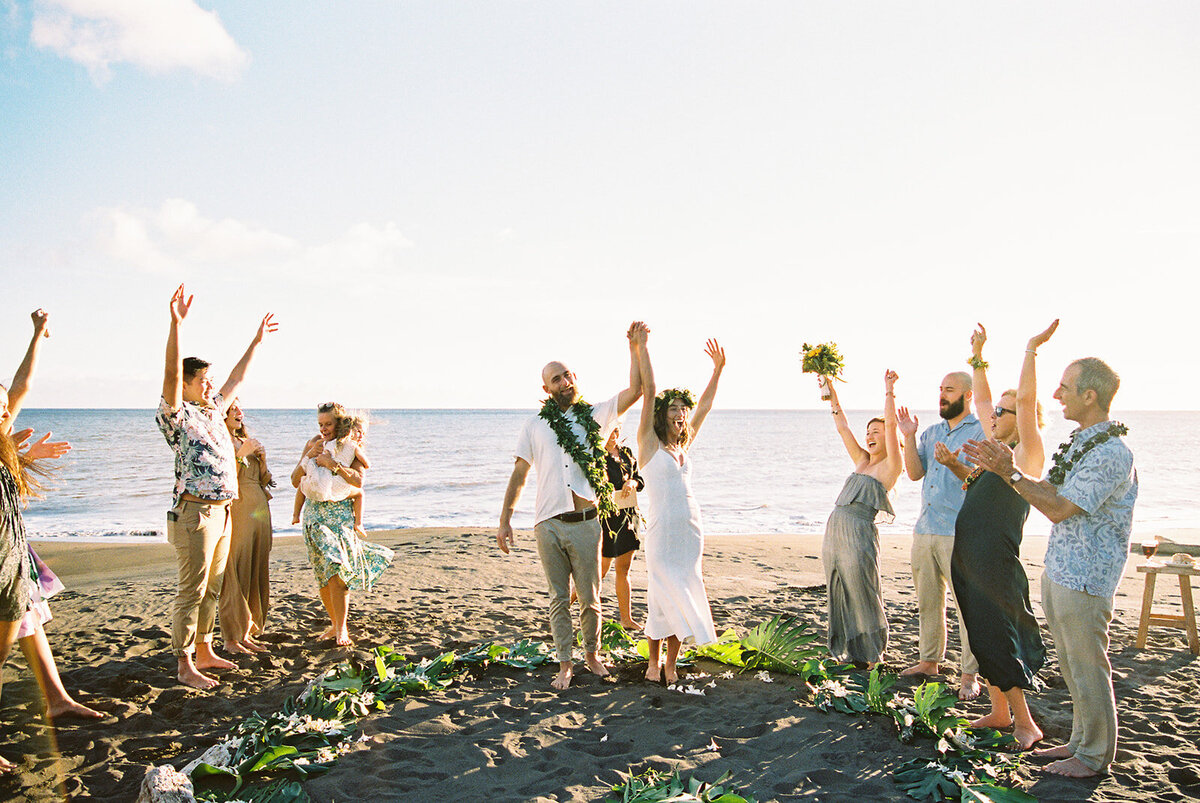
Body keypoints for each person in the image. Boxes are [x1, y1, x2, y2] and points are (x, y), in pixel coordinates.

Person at [964, 356, 1136, 778]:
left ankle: (1095, 756)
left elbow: (1058, 508)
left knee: (1088, 665)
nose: (1056, 394)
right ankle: (1079, 743)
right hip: (1061, 569)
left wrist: (1012, 474)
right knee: (1072, 665)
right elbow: (1050, 489)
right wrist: (1010, 472)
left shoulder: (1112, 452)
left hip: (1088, 577)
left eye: (1065, 387)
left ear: (1090, 395)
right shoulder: (1080, 442)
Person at [497, 323, 644, 691]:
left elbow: (637, 390)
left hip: (586, 521)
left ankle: (591, 655)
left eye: (567, 375)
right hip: (547, 523)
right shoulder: (533, 426)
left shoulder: (596, 415)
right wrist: (505, 521)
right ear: (546, 389)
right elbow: (519, 474)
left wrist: (635, 348)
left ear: (575, 378)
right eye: (556, 379)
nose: (564, 382)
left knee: (590, 597)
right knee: (558, 599)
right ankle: (565, 663)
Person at [943, 322, 1058, 750]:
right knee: (979, 633)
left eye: (1004, 413)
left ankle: (1026, 723)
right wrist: (977, 354)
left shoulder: (1026, 453)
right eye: (996, 412)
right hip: (968, 556)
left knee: (997, 636)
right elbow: (987, 398)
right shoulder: (992, 451)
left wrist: (1029, 351)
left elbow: (1024, 402)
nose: (994, 415)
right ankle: (999, 711)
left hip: (994, 559)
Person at [157, 285, 277, 689]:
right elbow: (172, 373)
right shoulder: (177, 416)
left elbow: (238, 377)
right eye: (203, 380)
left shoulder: (212, 411)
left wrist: (256, 342)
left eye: (210, 380)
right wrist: (176, 325)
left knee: (212, 588)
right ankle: (184, 663)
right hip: (195, 514)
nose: (210, 386)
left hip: (223, 511)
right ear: (188, 385)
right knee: (191, 590)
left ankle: (206, 650)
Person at [2, 310, 95, 775]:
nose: (6, 410)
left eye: (4, 406)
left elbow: (22, 386)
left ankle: (57, 699)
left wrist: (37, 335)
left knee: (32, 620)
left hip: (12, 553)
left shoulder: (2, 436)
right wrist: (21, 455)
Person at [632, 327, 723, 684]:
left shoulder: (684, 445)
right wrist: (642, 349)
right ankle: (653, 662)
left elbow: (706, 405)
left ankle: (668, 664)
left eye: (683, 408)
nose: (681, 413)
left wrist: (717, 370)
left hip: (689, 531)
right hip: (661, 531)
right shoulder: (649, 444)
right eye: (673, 408)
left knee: (682, 594)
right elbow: (650, 392)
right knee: (661, 595)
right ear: (661, 413)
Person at [897, 371, 985, 699]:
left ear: (968, 396)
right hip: (925, 529)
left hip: (959, 532)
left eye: (949, 390)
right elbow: (915, 473)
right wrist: (909, 435)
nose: (942, 396)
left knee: (967, 608)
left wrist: (953, 465)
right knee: (928, 601)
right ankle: (929, 661)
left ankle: (969, 674)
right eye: (940, 390)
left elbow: (983, 480)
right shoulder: (932, 432)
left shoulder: (980, 431)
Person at [290, 403, 392, 646]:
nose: (323, 429)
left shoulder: (350, 447)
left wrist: (332, 465)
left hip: (339, 516)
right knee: (323, 575)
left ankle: (342, 628)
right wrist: (310, 456)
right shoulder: (313, 442)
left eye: (328, 424)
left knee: (339, 571)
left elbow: (359, 481)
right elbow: (295, 481)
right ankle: (334, 624)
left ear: (339, 424)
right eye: (320, 424)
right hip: (314, 516)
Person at [821, 369, 903, 667]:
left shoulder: (891, 466)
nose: (869, 436)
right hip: (835, 531)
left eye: (875, 432)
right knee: (839, 586)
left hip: (858, 533)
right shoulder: (862, 461)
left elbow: (892, 425)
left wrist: (889, 390)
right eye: (868, 431)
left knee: (862, 588)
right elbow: (842, 426)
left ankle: (872, 653)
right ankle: (848, 649)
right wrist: (829, 388)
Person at [218, 401, 274, 655]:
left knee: (256, 567)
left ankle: (248, 629)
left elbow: (265, 479)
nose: (239, 414)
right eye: (232, 410)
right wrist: (241, 455)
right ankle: (232, 635)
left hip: (259, 509)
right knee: (236, 567)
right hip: (238, 509)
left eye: (239, 409)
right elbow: (221, 474)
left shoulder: (246, 440)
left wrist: (261, 459)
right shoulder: (220, 442)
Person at [598, 424, 644, 630]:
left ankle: (626, 619)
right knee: (600, 570)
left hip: (629, 516)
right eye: (608, 432)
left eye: (615, 432)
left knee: (624, 569)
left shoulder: (627, 453)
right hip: (608, 518)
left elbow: (640, 480)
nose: (613, 436)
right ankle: (568, 604)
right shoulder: (596, 457)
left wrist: (632, 483)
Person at [294, 415, 370, 537]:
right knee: (360, 493)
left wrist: (330, 463)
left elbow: (359, 480)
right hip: (330, 491)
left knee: (304, 484)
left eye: (363, 433)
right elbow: (366, 466)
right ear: (349, 431)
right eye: (359, 432)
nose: (361, 436)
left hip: (323, 489)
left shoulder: (323, 443)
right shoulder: (353, 447)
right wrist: (367, 464)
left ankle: (295, 515)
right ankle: (359, 523)